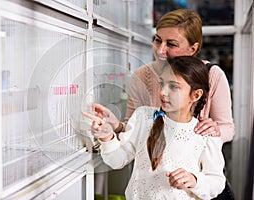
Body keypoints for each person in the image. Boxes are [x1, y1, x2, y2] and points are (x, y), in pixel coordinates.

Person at [83, 56, 226, 199]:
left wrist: (194, 180)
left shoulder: (205, 134)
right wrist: (107, 137)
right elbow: (117, 160)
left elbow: (217, 182)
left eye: (173, 86)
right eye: (162, 83)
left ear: (196, 95)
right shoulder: (143, 117)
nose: (163, 92)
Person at [91, 9, 235, 143]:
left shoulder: (213, 75)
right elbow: (133, 129)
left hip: (197, 168)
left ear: (193, 49)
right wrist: (115, 126)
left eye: (171, 44)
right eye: (158, 40)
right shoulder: (141, 76)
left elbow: (227, 128)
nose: (160, 50)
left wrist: (215, 130)